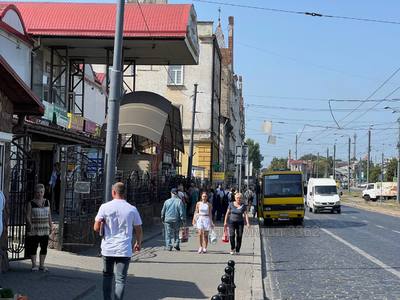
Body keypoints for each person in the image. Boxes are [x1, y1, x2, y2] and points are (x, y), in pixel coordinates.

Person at [94, 182, 143, 300]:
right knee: (120, 280)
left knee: (107, 276)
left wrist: (102, 224)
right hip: (124, 249)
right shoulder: (132, 209)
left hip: (108, 248)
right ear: (124, 193)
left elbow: (96, 228)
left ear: (113, 192)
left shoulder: (104, 207)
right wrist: (138, 242)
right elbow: (139, 229)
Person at [26, 183, 52, 272]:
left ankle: (42, 265)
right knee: (34, 247)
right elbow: (28, 216)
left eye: (41, 192)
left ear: (43, 192)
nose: (39, 194)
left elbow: (49, 215)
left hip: (45, 228)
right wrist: (30, 225)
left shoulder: (47, 202)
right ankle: (34, 265)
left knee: (44, 247)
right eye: (37, 192)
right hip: (35, 229)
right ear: (35, 193)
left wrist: (50, 225)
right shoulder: (31, 203)